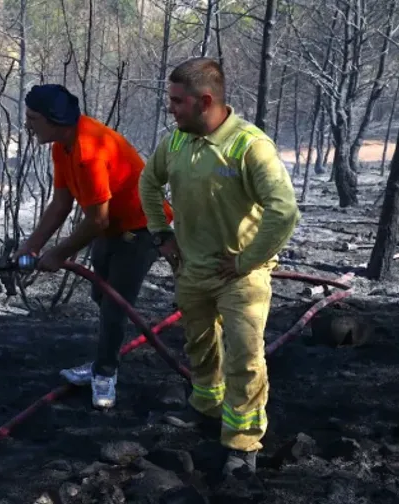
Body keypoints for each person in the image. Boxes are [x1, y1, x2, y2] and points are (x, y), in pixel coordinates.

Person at [138, 57, 300, 479]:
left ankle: (243, 443)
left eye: (177, 101)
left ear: (204, 100)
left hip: (240, 276)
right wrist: (161, 233)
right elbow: (148, 183)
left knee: (245, 359)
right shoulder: (175, 143)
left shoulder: (249, 146)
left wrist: (248, 260)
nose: (170, 109)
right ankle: (206, 408)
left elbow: (284, 211)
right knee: (200, 345)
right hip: (192, 268)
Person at [15, 83, 173, 410]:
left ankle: (105, 374)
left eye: (33, 118)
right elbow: (61, 203)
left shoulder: (88, 151)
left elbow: (97, 220)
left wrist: (58, 253)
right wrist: (33, 245)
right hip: (111, 227)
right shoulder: (62, 146)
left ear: (54, 119)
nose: (28, 124)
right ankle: (105, 358)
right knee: (101, 294)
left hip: (141, 228)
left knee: (116, 303)